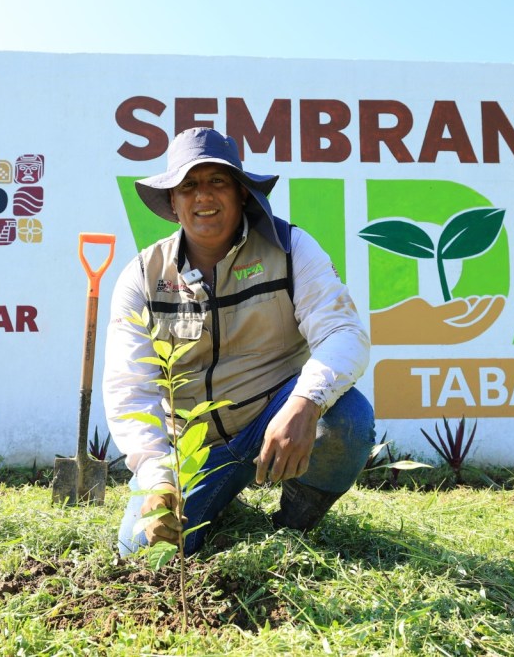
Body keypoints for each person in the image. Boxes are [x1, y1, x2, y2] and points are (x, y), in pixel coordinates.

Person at [103, 127, 375, 556]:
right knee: (143, 554)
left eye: (217, 182)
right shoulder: (141, 275)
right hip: (191, 447)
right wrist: (159, 480)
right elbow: (130, 390)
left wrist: (304, 405)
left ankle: (295, 524)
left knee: (347, 420)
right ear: (172, 203)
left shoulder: (290, 248)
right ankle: (214, 498)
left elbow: (344, 333)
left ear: (243, 193)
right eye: (188, 186)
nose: (203, 197)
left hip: (274, 412)